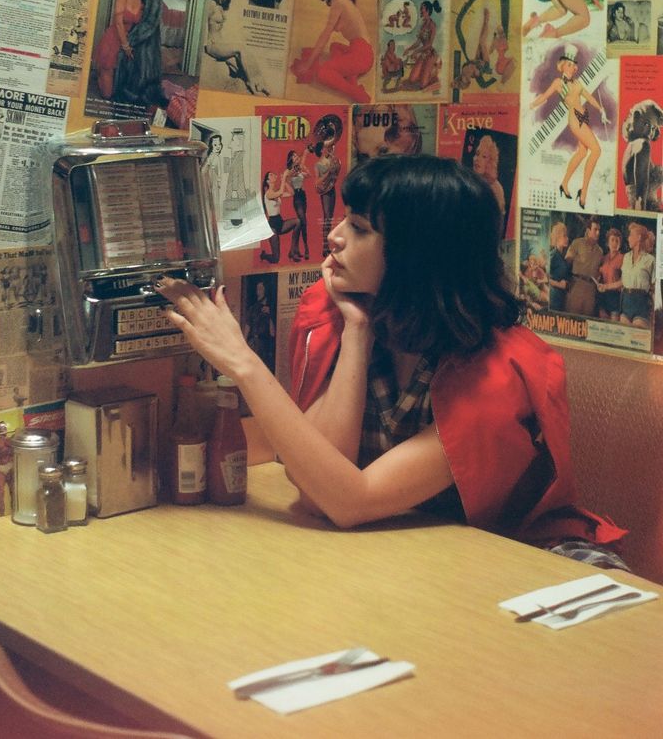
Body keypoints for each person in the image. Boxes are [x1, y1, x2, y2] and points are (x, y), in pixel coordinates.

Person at [156, 155, 626, 567]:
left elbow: (349, 501)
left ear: (416, 257)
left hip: (527, 556)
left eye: (359, 228)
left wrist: (242, 363)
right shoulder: (346, 315)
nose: (335, 237)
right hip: (419, 552)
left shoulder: (499, 372)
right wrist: (357, 335)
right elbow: (314, 487)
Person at [530, 43, 608, 210]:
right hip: (575, 119)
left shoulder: (578, 83)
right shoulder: (559, 83)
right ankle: (584, 192)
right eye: (569, 65)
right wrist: (529, 106)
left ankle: (564, 183)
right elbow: (544, 96)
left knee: (582, 152)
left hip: (584, 118)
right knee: (596, 150)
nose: (573, 68)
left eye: (574, 65)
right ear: (562, 66)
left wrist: (601, 109)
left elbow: (589, 96)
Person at [290, 0, 373, 103]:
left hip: (362, 56)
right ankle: (352, 77)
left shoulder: (339, 0)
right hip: (361, 51)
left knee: (323, 72)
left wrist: (309, 63)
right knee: (334, 46)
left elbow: (325, 34)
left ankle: (356, 93)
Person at [93, 0, 156, 99]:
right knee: (107, 95)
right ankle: (101, 72)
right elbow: (118, 22)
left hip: (128, 39)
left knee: (128, 88)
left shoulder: (143, 3)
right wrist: (126, 46)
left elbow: (143, 26)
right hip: (114, 39)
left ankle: (108, 73)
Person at [204, 0, 269, 96]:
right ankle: (250, 82)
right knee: (240, 48)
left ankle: (260, 83)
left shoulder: (220, 8)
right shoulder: (212, 5)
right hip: (212, 45)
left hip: (220, 44)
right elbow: (200, 22)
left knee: (242, 61)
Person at [113, 0, 163, 107]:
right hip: (117, 37)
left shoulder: (146, 1)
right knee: (108, 93)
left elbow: (149, 23)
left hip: (131, 39)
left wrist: (131, 42)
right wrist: (126, 45)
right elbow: (118, 21)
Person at [562, 218, 603, 317]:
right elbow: (566, 262)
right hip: (577, 285)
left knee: (587, 320)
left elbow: (599, 271)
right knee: (572, 318)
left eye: (599, 230)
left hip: (591, 290)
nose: (598, 233)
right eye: (595, 229)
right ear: (588, 231)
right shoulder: (577, 243)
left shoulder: (600, 251)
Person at [619, 222, 655, 328]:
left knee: (637, 339)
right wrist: (606, 286)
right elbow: (623, 281)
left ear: (638, 237)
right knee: (624, 340)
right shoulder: (626, 257)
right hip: (625, 301)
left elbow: (655, 288)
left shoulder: (650, 260)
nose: (628, 238)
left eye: (630, 235)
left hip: (641, 303)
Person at [402, 0, 442, 90]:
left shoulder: (432, 25)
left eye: (422, 9)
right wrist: (409, 49)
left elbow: (429, 44)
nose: (420, 10)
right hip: (423, 54)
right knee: (412, 80)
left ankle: (432, 73)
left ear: (427, 10)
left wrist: (416, 51)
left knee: (423, 85)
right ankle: (425, 73)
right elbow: (418, 42)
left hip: (431, 54)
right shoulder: (423, 25)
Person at [260, 171, 298, 264]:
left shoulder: (276, 192)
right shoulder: (268, 194)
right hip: (272, 227)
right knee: (276, 259)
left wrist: (284, 182)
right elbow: (281, 192)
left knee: (298, 221)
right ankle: (264, 255)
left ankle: (292, 250)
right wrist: (284, 176)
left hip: (280, 222)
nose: (273, 175)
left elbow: (291, 193)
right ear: (268, 181)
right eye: (271, 175)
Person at [313, 132, 341, 257]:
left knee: (330, 218)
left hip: (332, 190)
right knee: (327, 217)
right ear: (322, 149)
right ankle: (325, 247)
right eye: (327, 147)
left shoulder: (333, 160)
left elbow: (337, 173)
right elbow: (317, 182)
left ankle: (328, 245)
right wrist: (328, 173)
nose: (329, 148)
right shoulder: (318, 165)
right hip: (325, 192)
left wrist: (335, 162)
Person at [282, 148, 310, 261]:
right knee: (303, 221)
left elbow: (308, 175)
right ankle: (305, 248)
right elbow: (287, 185)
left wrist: (302, 166)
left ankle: (294, 250)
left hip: (303, 196)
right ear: (290, 158)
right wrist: (289, 176)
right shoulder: (288, 171)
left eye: (295, 155)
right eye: (293, 156)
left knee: (302, 224)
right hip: (297, 197)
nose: (295, 157)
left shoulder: (299, 168)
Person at [243, 281, 276, 371]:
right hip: (254, 342)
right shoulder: (253, 308)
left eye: (261, 288)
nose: (258, 291)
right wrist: (244, 343)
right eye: (257, 288)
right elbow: (248, 325)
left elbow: (272, 333)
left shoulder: (271, 309)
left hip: (265, 344)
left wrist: (270, 314)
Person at [470, 133, 504, 217]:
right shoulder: (470, 181)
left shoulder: (496, 189)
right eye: (477, 154)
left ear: (490, 162)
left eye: (484, 156)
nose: (477, 159)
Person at [597, 227, 624, 322]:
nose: (614, 243)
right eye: (612, 240)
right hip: (603, 296)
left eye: (617, 241)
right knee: (603, 326)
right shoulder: (603, 258)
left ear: (620, 244)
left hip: (615, 297)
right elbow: (599, 276)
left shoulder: (623, 258)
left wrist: (607, 286)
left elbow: (623, 281)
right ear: (608, 242)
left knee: (613, 328)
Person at [548, 221, 570, 313]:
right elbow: (545, 278)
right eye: (564, 236)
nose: (567, 239)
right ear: (557, 238)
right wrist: (559, 285)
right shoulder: (553, 255)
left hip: (561, 296)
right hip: (553, 297)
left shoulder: (562, 255)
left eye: (567, 236)